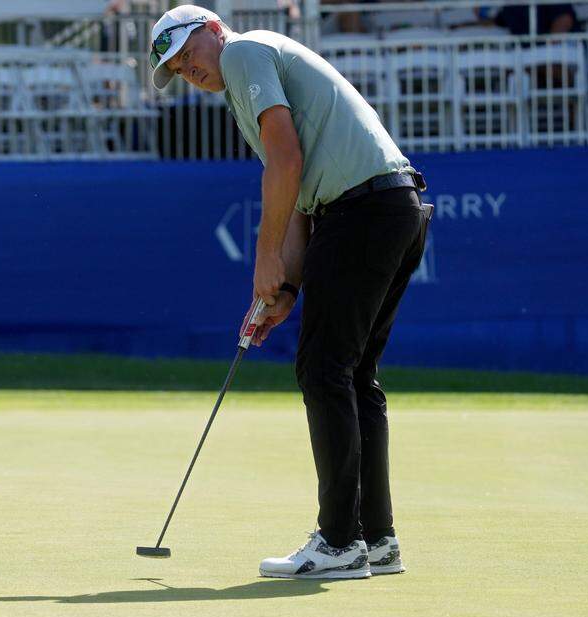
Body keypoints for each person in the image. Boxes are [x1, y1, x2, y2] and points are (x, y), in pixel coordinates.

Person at [149, 5, 431, 579]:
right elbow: (300, 194)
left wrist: (266, 258)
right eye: (176, 69)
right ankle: (375, 538)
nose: (187, 70)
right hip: (391, 208)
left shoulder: (242, 51)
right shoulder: (245, 82)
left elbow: (285, 161)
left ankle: (340, 543)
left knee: (324, 370)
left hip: (361, 211)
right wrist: (285, 289)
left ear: (212, 29)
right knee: (352, 375)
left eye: (186, 53)